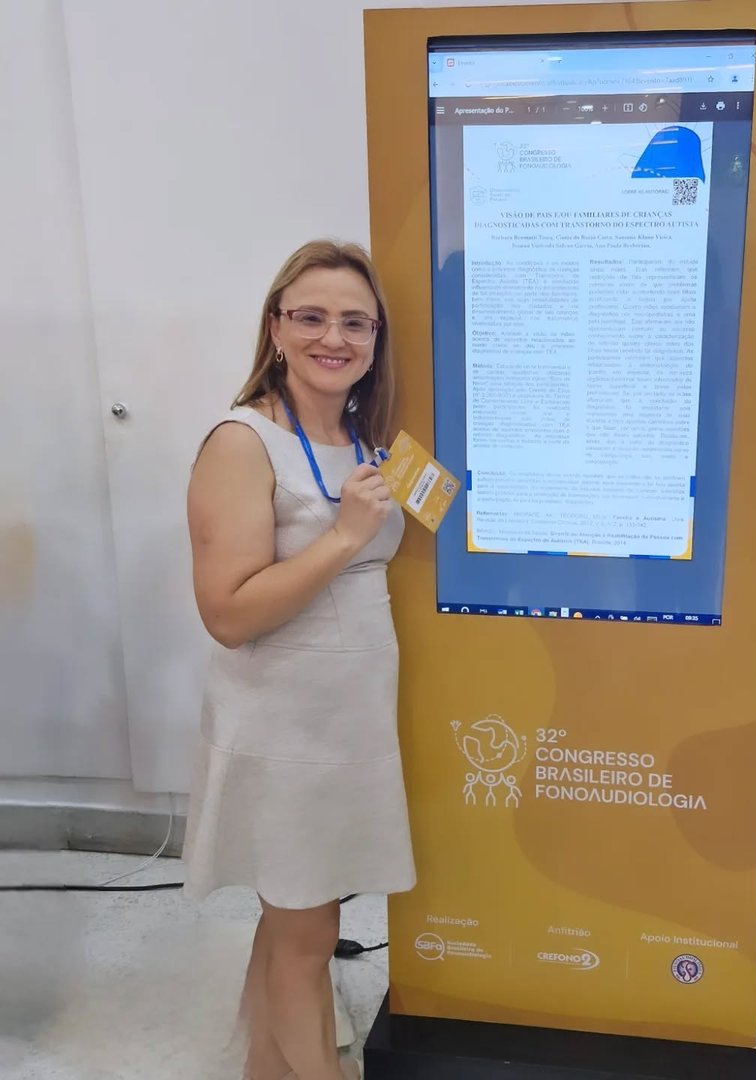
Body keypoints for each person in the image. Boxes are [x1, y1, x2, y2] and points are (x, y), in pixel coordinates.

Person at [182, 240, 415, 1080]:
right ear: (276, 328)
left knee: (293, 922)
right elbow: (228, 614)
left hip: (348, 721)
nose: (334, 337)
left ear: (376, 338)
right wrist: (345, 537)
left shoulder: (366, 438)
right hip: (284, 728)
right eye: (311, 317)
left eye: (355, 322)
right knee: (310, 934)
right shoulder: (242, 442)